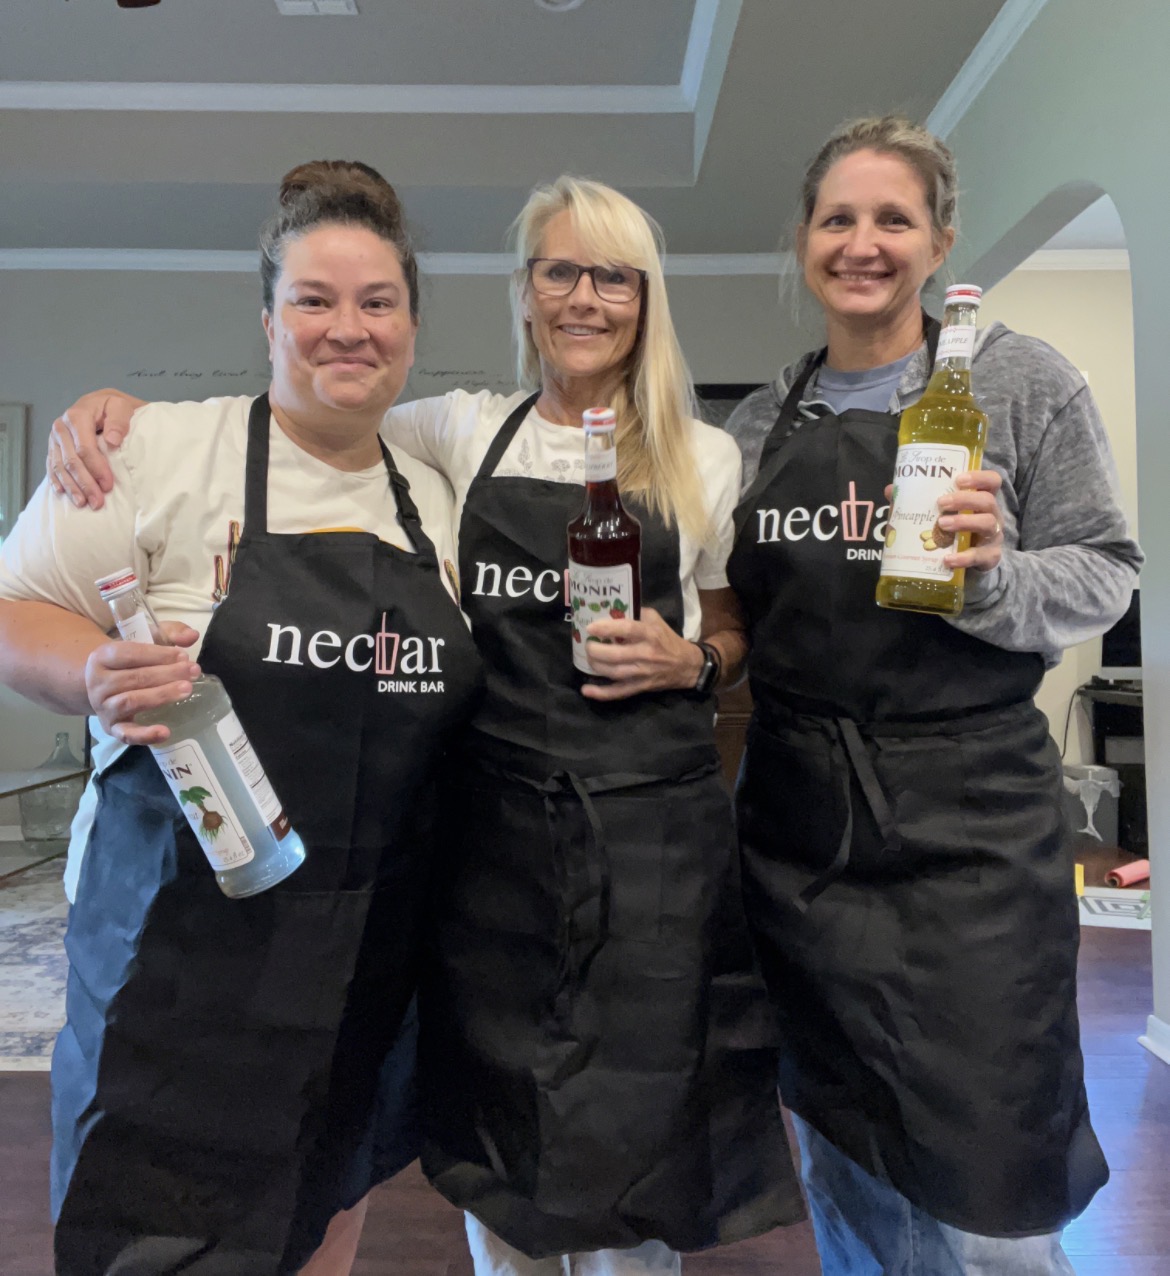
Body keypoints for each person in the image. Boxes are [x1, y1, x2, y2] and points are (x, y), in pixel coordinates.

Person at [45, 174, 803, 1276]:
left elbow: (733, 621)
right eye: (559, 271)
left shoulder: (708, 454)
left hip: (649, 847)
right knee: (495, 1130)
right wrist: (119, 415)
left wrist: (695, 660)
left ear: (647, 297)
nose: (583, 297)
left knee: (635, 1138)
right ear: (524, 292)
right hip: (492, 847)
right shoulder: (455, 429)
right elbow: (313, 408)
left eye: (613, 275)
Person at [0, 162, 482, 1275]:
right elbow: (15, 610)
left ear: (412, 327)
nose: (347, 328)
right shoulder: (156, 452)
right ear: (268, 320)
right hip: (177, 959)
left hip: (364, 953)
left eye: (377, 301)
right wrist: (93, 674)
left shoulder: (440, 492)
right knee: (152, 1228)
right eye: (314, 299)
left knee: (325, 1201)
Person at [722, 116, 1142, 1275]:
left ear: (940, 241)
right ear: (804, 239)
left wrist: (996, 583)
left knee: (989, 1159)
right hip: (803, 829)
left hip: (972, 830)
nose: (862, 243)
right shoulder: (761, 422)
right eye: (838, 218)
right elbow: (736, 619)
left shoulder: (1019, 381)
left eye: (893, 219)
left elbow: (1109, 568)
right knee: (842, 1141)